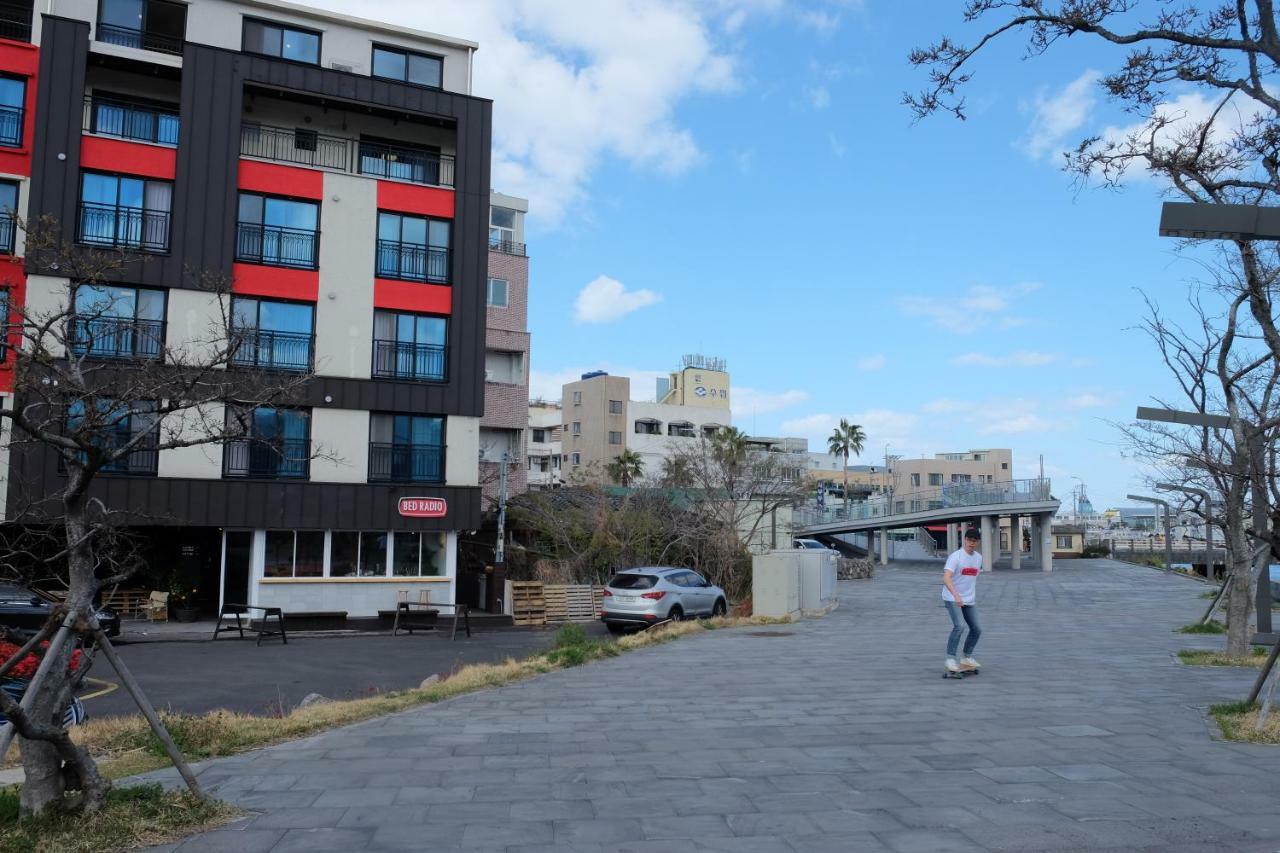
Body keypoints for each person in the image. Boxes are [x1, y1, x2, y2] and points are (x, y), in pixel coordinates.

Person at [942, 527, 983, 673]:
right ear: (964, 540)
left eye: (974, 541)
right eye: (969, 540)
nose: (971, 543)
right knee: (959, 626)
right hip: (952, 597)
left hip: (968, 600)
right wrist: (956, 596)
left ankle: (966, 657)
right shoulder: (956, 557)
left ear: (977, 542)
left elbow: (971, 578)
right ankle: (950, 659)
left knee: (977, 629)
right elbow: (946, 577)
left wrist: (967, 596)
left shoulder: (978, 558)